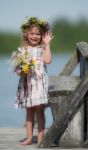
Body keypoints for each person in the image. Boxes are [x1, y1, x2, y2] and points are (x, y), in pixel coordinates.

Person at [12, 17, 53, 145]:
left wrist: (47, 44)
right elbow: (17, 70)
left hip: (40, 84)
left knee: (39, 110)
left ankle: (41, 138)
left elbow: (47, 60)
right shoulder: (21, 51)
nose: (35, 36)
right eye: (32, 33)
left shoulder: (42, 49)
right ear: (26, 34)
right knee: (29, 110)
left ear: (41, 35)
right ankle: (29, 138)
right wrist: (22, 70)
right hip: (28, 84)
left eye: (38, 34)